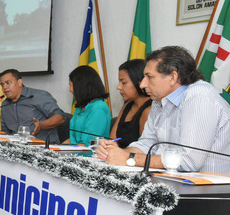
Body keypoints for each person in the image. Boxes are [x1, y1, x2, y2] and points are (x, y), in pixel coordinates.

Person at [98, 46, 230, 172]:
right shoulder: (159, 101)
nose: (143, 84)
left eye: (149, 77)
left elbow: (188, 161)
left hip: (211, 185)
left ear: (173, 77)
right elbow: (147, 143)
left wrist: (130, 158)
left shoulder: (199, 96)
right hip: (175, 180)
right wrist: (117, 152)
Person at [0, 69, 66, 143]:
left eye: (8, 83)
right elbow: (5, 132)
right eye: (2, 85)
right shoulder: (5, 104)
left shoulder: (38, 96)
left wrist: (41, 125)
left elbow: (60, 118)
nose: (4, 87)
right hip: (17, 147)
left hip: (43, 146)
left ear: (19, 82)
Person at [109, 59, 152, 149]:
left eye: (123, 82)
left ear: (139, 82)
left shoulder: (150, 109)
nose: (119, 87)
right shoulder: (127, 106)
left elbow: (145, 147)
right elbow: (112, 139)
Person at [66, 66, 111, 145]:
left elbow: (87, 144)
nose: (70, 90)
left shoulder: (98, 108)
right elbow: (73, 140)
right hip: (75, 150)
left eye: (71, 85)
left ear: (81, 86)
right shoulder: (80, 107)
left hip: (89, 152)